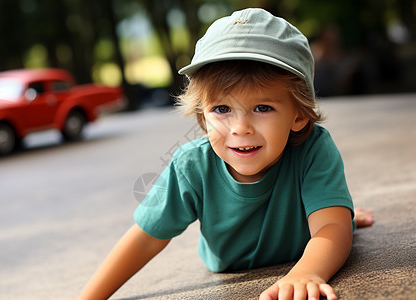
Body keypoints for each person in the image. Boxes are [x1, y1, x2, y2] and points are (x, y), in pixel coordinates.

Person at [73, 8, 373, 300]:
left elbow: (329, 229)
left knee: (336, 224)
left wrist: (307, 271)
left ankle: (334, 206)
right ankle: (335, 208)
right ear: (203, 117)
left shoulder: (313, 148)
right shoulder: (191, 166)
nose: (240, 128)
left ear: (298, 115)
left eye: (263, 108)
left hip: (303, 245)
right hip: (228, 263)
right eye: (222, 109)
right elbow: (145, 238)